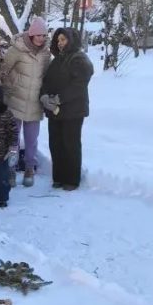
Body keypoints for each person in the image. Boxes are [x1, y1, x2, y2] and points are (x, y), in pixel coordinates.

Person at [40, 27, 93, 191]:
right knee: (55, 144)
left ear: (71, 40)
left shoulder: (79, 59)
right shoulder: (57, 60)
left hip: (73, 111)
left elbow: (78, 85)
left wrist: (59, 99)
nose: (60, 43)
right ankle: (58, 177)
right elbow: (47, 81)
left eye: (63, 39)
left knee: (70, 145)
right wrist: (44, 96)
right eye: (58, 40)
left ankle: (71, 180)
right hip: (55, 111)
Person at [2, 16, 51, 187]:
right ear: (31, 35)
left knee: (32, 140)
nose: (41, 38)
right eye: (38, 35)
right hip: (15, 100)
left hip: (35, 103)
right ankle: (10, 168)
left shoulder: (46, 53)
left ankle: (30, 168)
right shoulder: (16, 49)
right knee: (13, 138)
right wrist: (10, 87)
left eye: (44, 35)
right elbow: (3, 71)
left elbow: (47, 76)